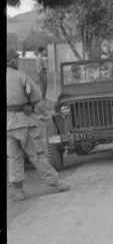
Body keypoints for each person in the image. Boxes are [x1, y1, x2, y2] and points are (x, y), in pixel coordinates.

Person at [6, 48, 70, 201]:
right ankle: (54, 183)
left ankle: (19, 191)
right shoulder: (21, 77)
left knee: (13, 158)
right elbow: (34, 95)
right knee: (37, 154)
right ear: (12, 60)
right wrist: (37, 109)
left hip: (8, 125)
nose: (18, 61)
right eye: (16, 59)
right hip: (24, 122)